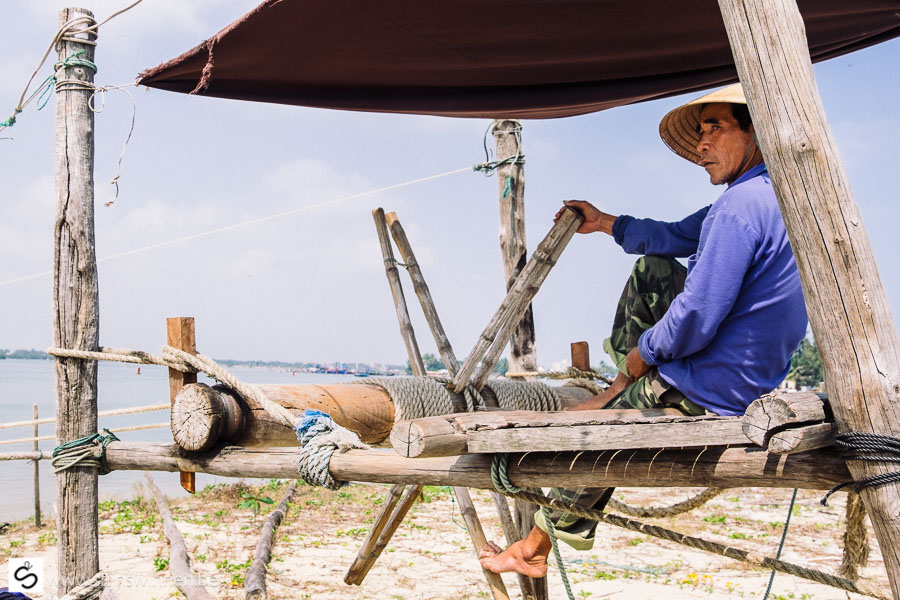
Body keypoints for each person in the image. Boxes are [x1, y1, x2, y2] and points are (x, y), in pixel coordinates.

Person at [479, 83, 808, 577]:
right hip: (750, 377)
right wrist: (604, 221)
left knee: (593, 433)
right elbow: (673, 236)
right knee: (653, 267)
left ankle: (533, 547)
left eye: (715, 127)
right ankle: (621, 388)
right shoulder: (769, 197)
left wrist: (642, 355)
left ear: (756, 130)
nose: (702, 144)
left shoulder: (741, 207)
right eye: (700, 132)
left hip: (710, 385)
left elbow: (698, 314)